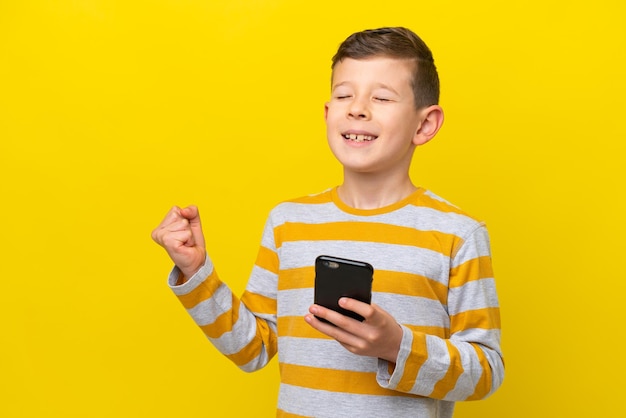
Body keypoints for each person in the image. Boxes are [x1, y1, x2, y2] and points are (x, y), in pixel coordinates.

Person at [152, 26, 504, 417]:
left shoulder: (458, 233)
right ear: (327, 113)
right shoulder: (289, 223)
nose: (357, 108)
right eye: (343, 95)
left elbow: (485, 372)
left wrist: (395, 346)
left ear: (424, 125)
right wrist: (195, 271)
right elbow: (252, 349)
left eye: (382, 97)